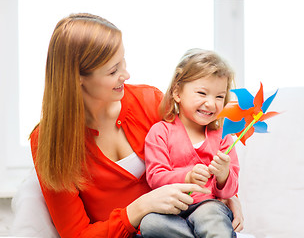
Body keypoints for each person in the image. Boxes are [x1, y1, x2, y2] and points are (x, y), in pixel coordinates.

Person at [26, 13, 244, 238]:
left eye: (123, 62)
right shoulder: (48, 142)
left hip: (186, 221)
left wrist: (225, 195)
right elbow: (77, 234)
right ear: (77, 77)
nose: (126, 74)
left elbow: (198, 148)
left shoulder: (151, 102)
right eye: (113, 71)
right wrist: (139, 209)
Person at [141, 48, 239, 238]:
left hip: (207, 205)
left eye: (219, 96)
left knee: (210, 216)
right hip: (169, 208)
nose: (211, 103)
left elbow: (230, 190)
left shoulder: (224, 136)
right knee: (150, 223)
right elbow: (155, 177)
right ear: (177, 92)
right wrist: (187, 176)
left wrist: (223, 174)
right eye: (202, 93)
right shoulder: (161, 132)